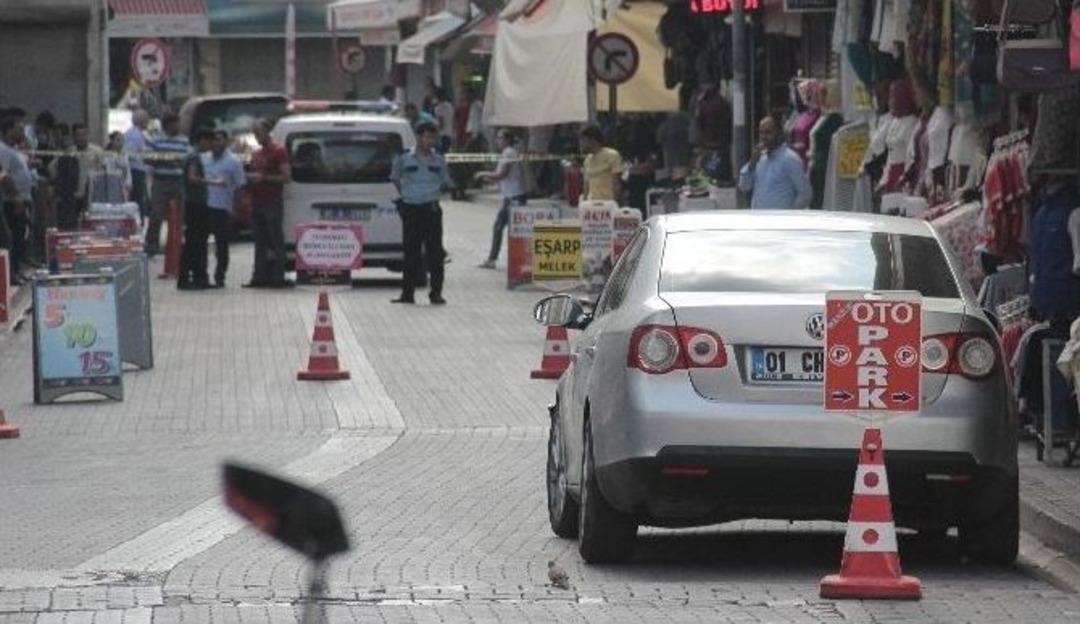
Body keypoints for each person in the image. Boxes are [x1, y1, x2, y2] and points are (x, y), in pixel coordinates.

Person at [389, 122, 454, 305]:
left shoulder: (439, 160)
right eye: (426, 137)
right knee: (411, 252)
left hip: (431, 210)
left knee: (435, 253)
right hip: (411, 209)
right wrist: (407, 195)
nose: (429, 141)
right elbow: (395, 178)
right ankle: (407, 294)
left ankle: (436, 293)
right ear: (418, 137)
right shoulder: (404, 158)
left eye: (432, 137)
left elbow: (445, 181)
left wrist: (433, 193)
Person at [245, 119, 292, 289]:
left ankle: (278, 276)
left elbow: (286, 177)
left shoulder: (278, 152)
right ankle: (259, 276)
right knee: (259, 242)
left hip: (272, 201)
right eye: (254, 134)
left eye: (259, 133)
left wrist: (264, 178)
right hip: (257, 201)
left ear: (267, 131)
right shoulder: (257, 154)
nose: (257, 137)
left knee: (275, 240)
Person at [475, 128, 527, 269]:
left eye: (500, 138)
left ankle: (496, 259)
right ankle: (512, 260)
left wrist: (482, 174)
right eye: (497, 138)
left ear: (508, 139)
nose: (497, 140)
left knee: (503, 228)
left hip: (514, 197)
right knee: (508, 228)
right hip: (511, 195)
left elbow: (502, 174)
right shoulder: (507, 153)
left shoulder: (509, 153)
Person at [200, 130, 246, 288]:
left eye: (219, 140)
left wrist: (236, 208)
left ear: (225, 142)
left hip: (223, 208)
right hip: (205, 207)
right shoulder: (204, 158)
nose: (216, 143)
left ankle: (220, 276)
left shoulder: (233, 161)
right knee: (201, 243)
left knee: (221, 245)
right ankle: (202, 275)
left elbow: (240, 187)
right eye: (213, 140)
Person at [738, 116, 813, 210]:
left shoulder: (790, 159)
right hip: (758, 220)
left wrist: (789, 215)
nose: (763, 137)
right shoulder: (759, 159)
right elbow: (743, 187)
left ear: (779, 133)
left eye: (768, 132)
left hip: (780, 222)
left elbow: (805, 194)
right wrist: (751, 164)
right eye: (761, 132)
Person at [146, 112, 190, 255]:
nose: (177, 126)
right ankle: (151, 246)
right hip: (161, 182)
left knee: (180, 215)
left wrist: (180, 161)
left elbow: (188, 159)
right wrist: (166, 159)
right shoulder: (156, 141)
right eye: (175, 124)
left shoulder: (184, 141)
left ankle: (177, 246)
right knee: (156, 215)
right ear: (167, 125)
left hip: (178, 181)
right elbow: (147, 157)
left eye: (178, 123)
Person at [179, 128, 214, 290]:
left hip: (193, 203)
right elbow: (192, 177)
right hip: (196, 204)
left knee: (195, 241)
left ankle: (197, 277)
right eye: (209, 141)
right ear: (202, 140)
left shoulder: (192, 155)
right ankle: (190, 277)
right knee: (195, 242)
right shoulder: (194, 156)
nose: (211, 145)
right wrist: (211, 182)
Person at [0, 116, 34, 283]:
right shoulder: (2, 150)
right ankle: (10, 273)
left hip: (22, 199)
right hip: (12, 202)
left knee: (21, 237)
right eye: (19, 129)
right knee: (11, 238)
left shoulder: (15, 150)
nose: (22, 133)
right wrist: (16, 197)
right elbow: (3, 175)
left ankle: (17, 269)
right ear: (8, 131)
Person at [579, 125, 622, 203]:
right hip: (592, 206)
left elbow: (616, 184)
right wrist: (584, 204)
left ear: (592, 140)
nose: (581, 144)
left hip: (608, 204)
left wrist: (615, 205)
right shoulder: (587, 160)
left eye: (583, 140)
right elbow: (586, 186)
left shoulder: (612, 155)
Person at [123, 110, 151, 222]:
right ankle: (138, 222)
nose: (148, 122)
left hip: (138, 170)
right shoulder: (135, 135)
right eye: (147, 120)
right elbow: (131, 154)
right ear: (142, 121)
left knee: (139, 198)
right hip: (135, 170)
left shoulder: (137, 133)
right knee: (138, 199)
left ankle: (139, 221)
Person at [433, 89, 455, 154]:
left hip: (443, 135)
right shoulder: (450, 105)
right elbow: (453, 119)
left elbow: (441, 124)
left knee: (443, 154)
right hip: (451, 132)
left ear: (436, 97)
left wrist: (436, 133)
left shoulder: (437, 108)